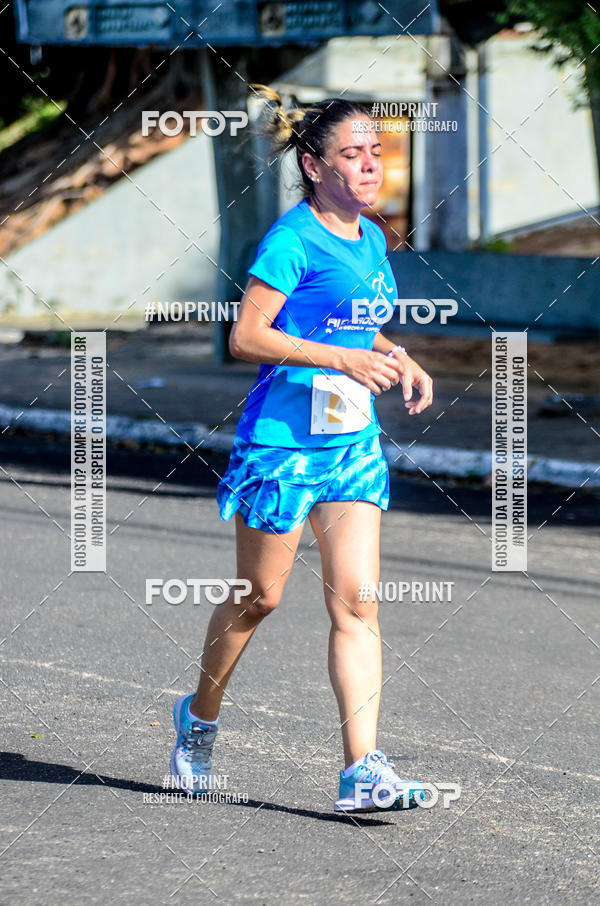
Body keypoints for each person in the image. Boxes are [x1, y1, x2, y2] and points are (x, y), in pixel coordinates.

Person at [170, 86, 433, 812]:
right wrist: (340, 362)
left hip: (351, 444)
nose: (370, 165)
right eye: (352, 154)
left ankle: (362, 768)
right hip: (281, 446)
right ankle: (197, 723)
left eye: (376, 153)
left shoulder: (372, 235)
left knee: (358, 604)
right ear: (315, 167)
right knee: (260, 599)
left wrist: (393, 353)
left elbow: (353, 323)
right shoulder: (290, 241)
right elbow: (248, 337)